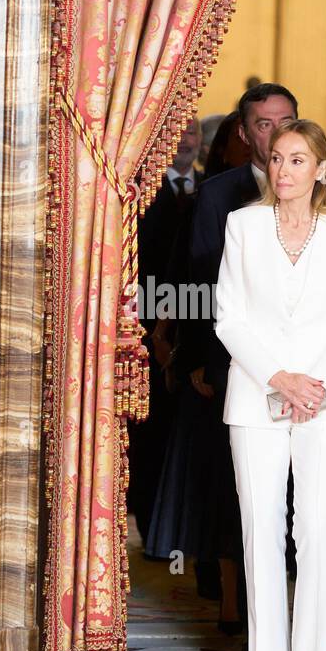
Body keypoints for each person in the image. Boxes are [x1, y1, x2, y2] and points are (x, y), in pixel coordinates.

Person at [214, 119, 326, 651]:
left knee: (317, 531)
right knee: (262, 533)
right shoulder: (243, 226)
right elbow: (228, 317)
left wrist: (312, 386)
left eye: (298, 160)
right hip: (256, 400)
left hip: (324, 404)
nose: (283, 171)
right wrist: (279, 378)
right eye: (276, 159)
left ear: (321, 170)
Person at [184, 83, 299, 632]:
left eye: (286, 121)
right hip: (238, 367)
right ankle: (240, 612)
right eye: (263, 124)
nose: (276, 132)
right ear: (244, 131)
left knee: (302, 501)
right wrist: (205, 360)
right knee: (239, 494)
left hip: (305, 376)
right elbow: (206, 286)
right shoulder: (219, 194)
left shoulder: (322, 191)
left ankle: (295, 619)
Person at [127, 119, 200, 545]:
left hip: (198, 326)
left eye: (192, 132)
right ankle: (154, 530)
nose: (186, 139)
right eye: (177, 132)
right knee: (151, 429)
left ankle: (184, 531)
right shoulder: (139, 193)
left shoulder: (211, 189)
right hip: (147, 327)